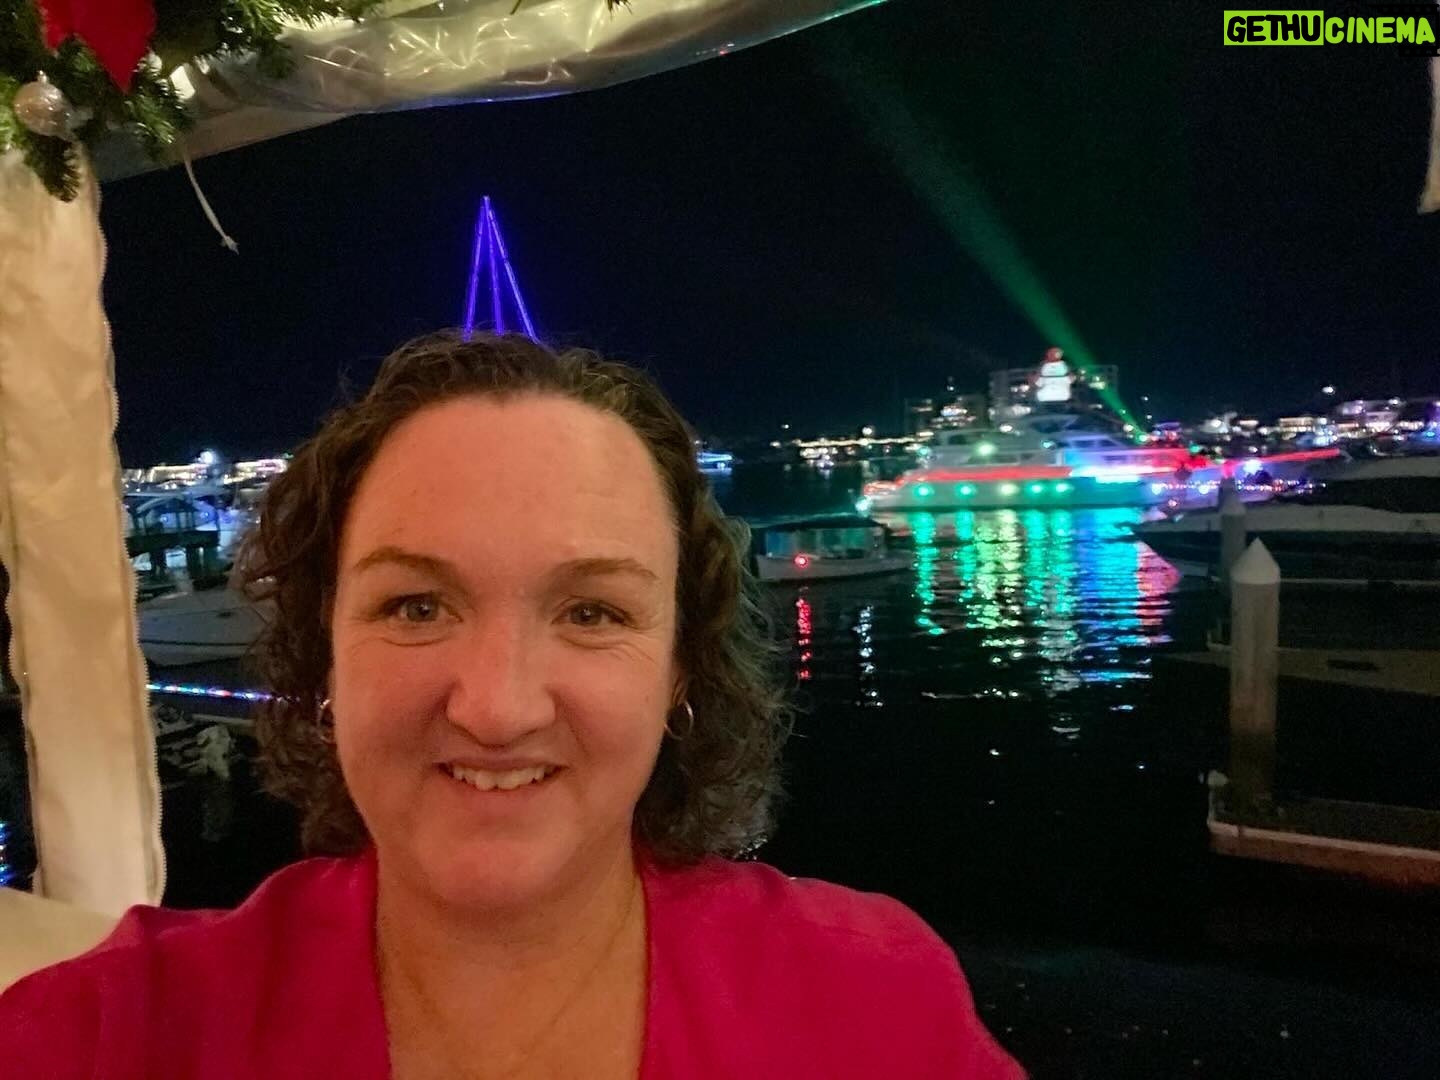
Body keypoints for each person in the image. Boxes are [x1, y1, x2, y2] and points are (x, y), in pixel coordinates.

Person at [0, 332, 1023, 1079]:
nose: (497, 707)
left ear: (678, 670)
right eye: (416, 606)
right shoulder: (109, 1036)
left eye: (591, 611)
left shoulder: (872, 1006)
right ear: (324, 653)